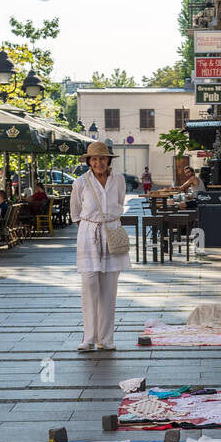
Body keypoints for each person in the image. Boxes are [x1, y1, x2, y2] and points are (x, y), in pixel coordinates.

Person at [69, 141, 130, 352]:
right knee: (89, 286)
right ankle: (89, 337)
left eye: (102, 158)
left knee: (109, 289)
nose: (98, 162)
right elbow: (75, 213)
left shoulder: (119, 180)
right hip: (89, 235)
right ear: (88, 161)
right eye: (94, 159)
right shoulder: (80, 183)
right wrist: (91, 229)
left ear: (109, 160)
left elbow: (119, 204)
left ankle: (106, 338)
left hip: (113, 232)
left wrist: (106, 225)